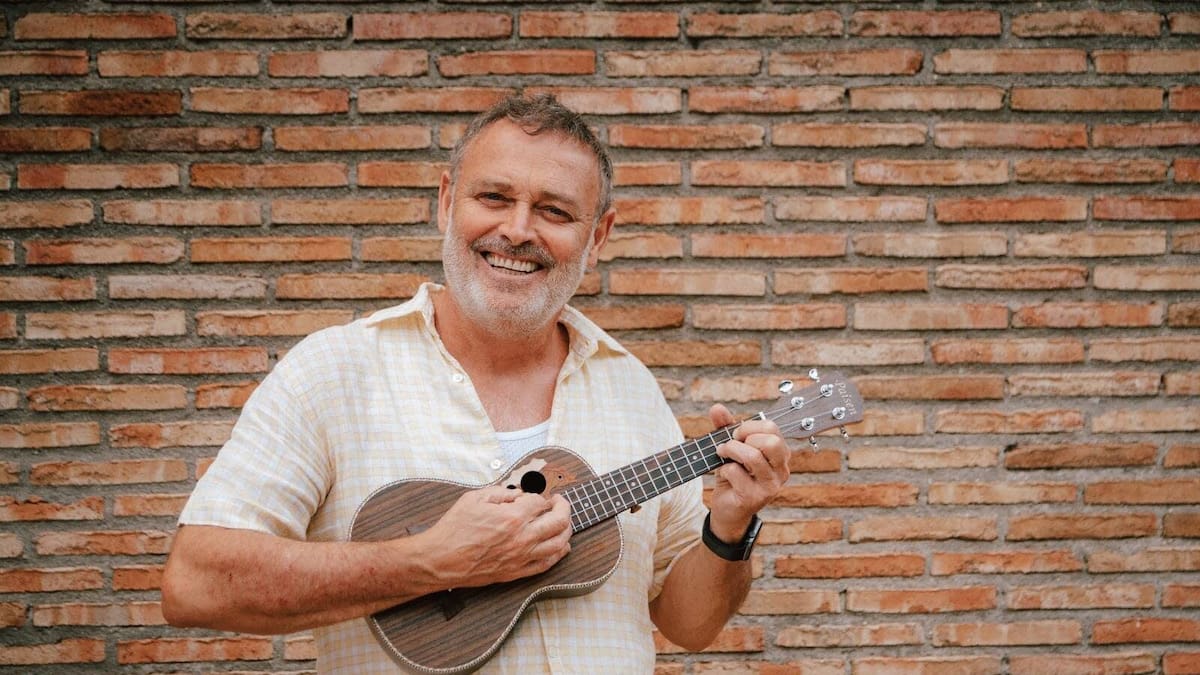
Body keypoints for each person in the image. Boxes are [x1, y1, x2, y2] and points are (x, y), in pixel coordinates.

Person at [161, 94, 790, 674]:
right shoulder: (332, 372)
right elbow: (195, 584)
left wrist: (730, 525)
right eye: (493, 197)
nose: (518, 230)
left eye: (554, 211)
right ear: (446, 202)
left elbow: (689, 623)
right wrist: (431, 561)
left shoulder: (630, 388)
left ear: (596, 236)